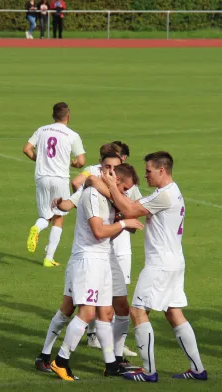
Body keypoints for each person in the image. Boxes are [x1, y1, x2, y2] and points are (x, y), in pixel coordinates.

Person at [93, 152, 208, 382]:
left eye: (148, 171)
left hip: (160, 265)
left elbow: (130, 210)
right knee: (174, 313)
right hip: (175, 262)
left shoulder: (164, 195)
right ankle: (198, 370)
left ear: (161, 171)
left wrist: (110, 186)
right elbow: (133, 205)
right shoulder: (170, 192)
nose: (145, 175)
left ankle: (148, 371)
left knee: (137, 311)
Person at [35, 155, 140, 375]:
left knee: (104, 313)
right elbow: (99, 231)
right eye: (125, 188)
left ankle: (111, 364)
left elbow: (127, 215)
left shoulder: (110, 194)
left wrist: (123, 215)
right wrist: (123, 222)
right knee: (84, 313)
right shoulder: (92, 193)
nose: (126, 193)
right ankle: (60, 361)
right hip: (88, 260)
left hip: (102, 259)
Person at [72, 141, 139, 358]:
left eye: (115, 166)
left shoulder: (129, 184)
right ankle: (60, 355)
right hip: (94, 253)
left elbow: (132, 217)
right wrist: (118, 204)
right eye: (107, 166)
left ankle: (114, 357)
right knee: (88, 309)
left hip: (119, 250)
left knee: (115, 306)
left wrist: (122, 210)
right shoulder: (95, 181)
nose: (111, 171)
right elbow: (88, 181)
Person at [23, 102, 85, 267]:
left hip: (41, 177)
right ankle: (48, 258)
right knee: (58, 217)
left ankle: (37, 227)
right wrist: (72, 163)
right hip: (60, 179)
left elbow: (27, 149)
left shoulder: (42, 130)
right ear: (68, 116)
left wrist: (39, 159)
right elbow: (81, 161)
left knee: (45, 215)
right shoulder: (72, 135)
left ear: (53, 116)